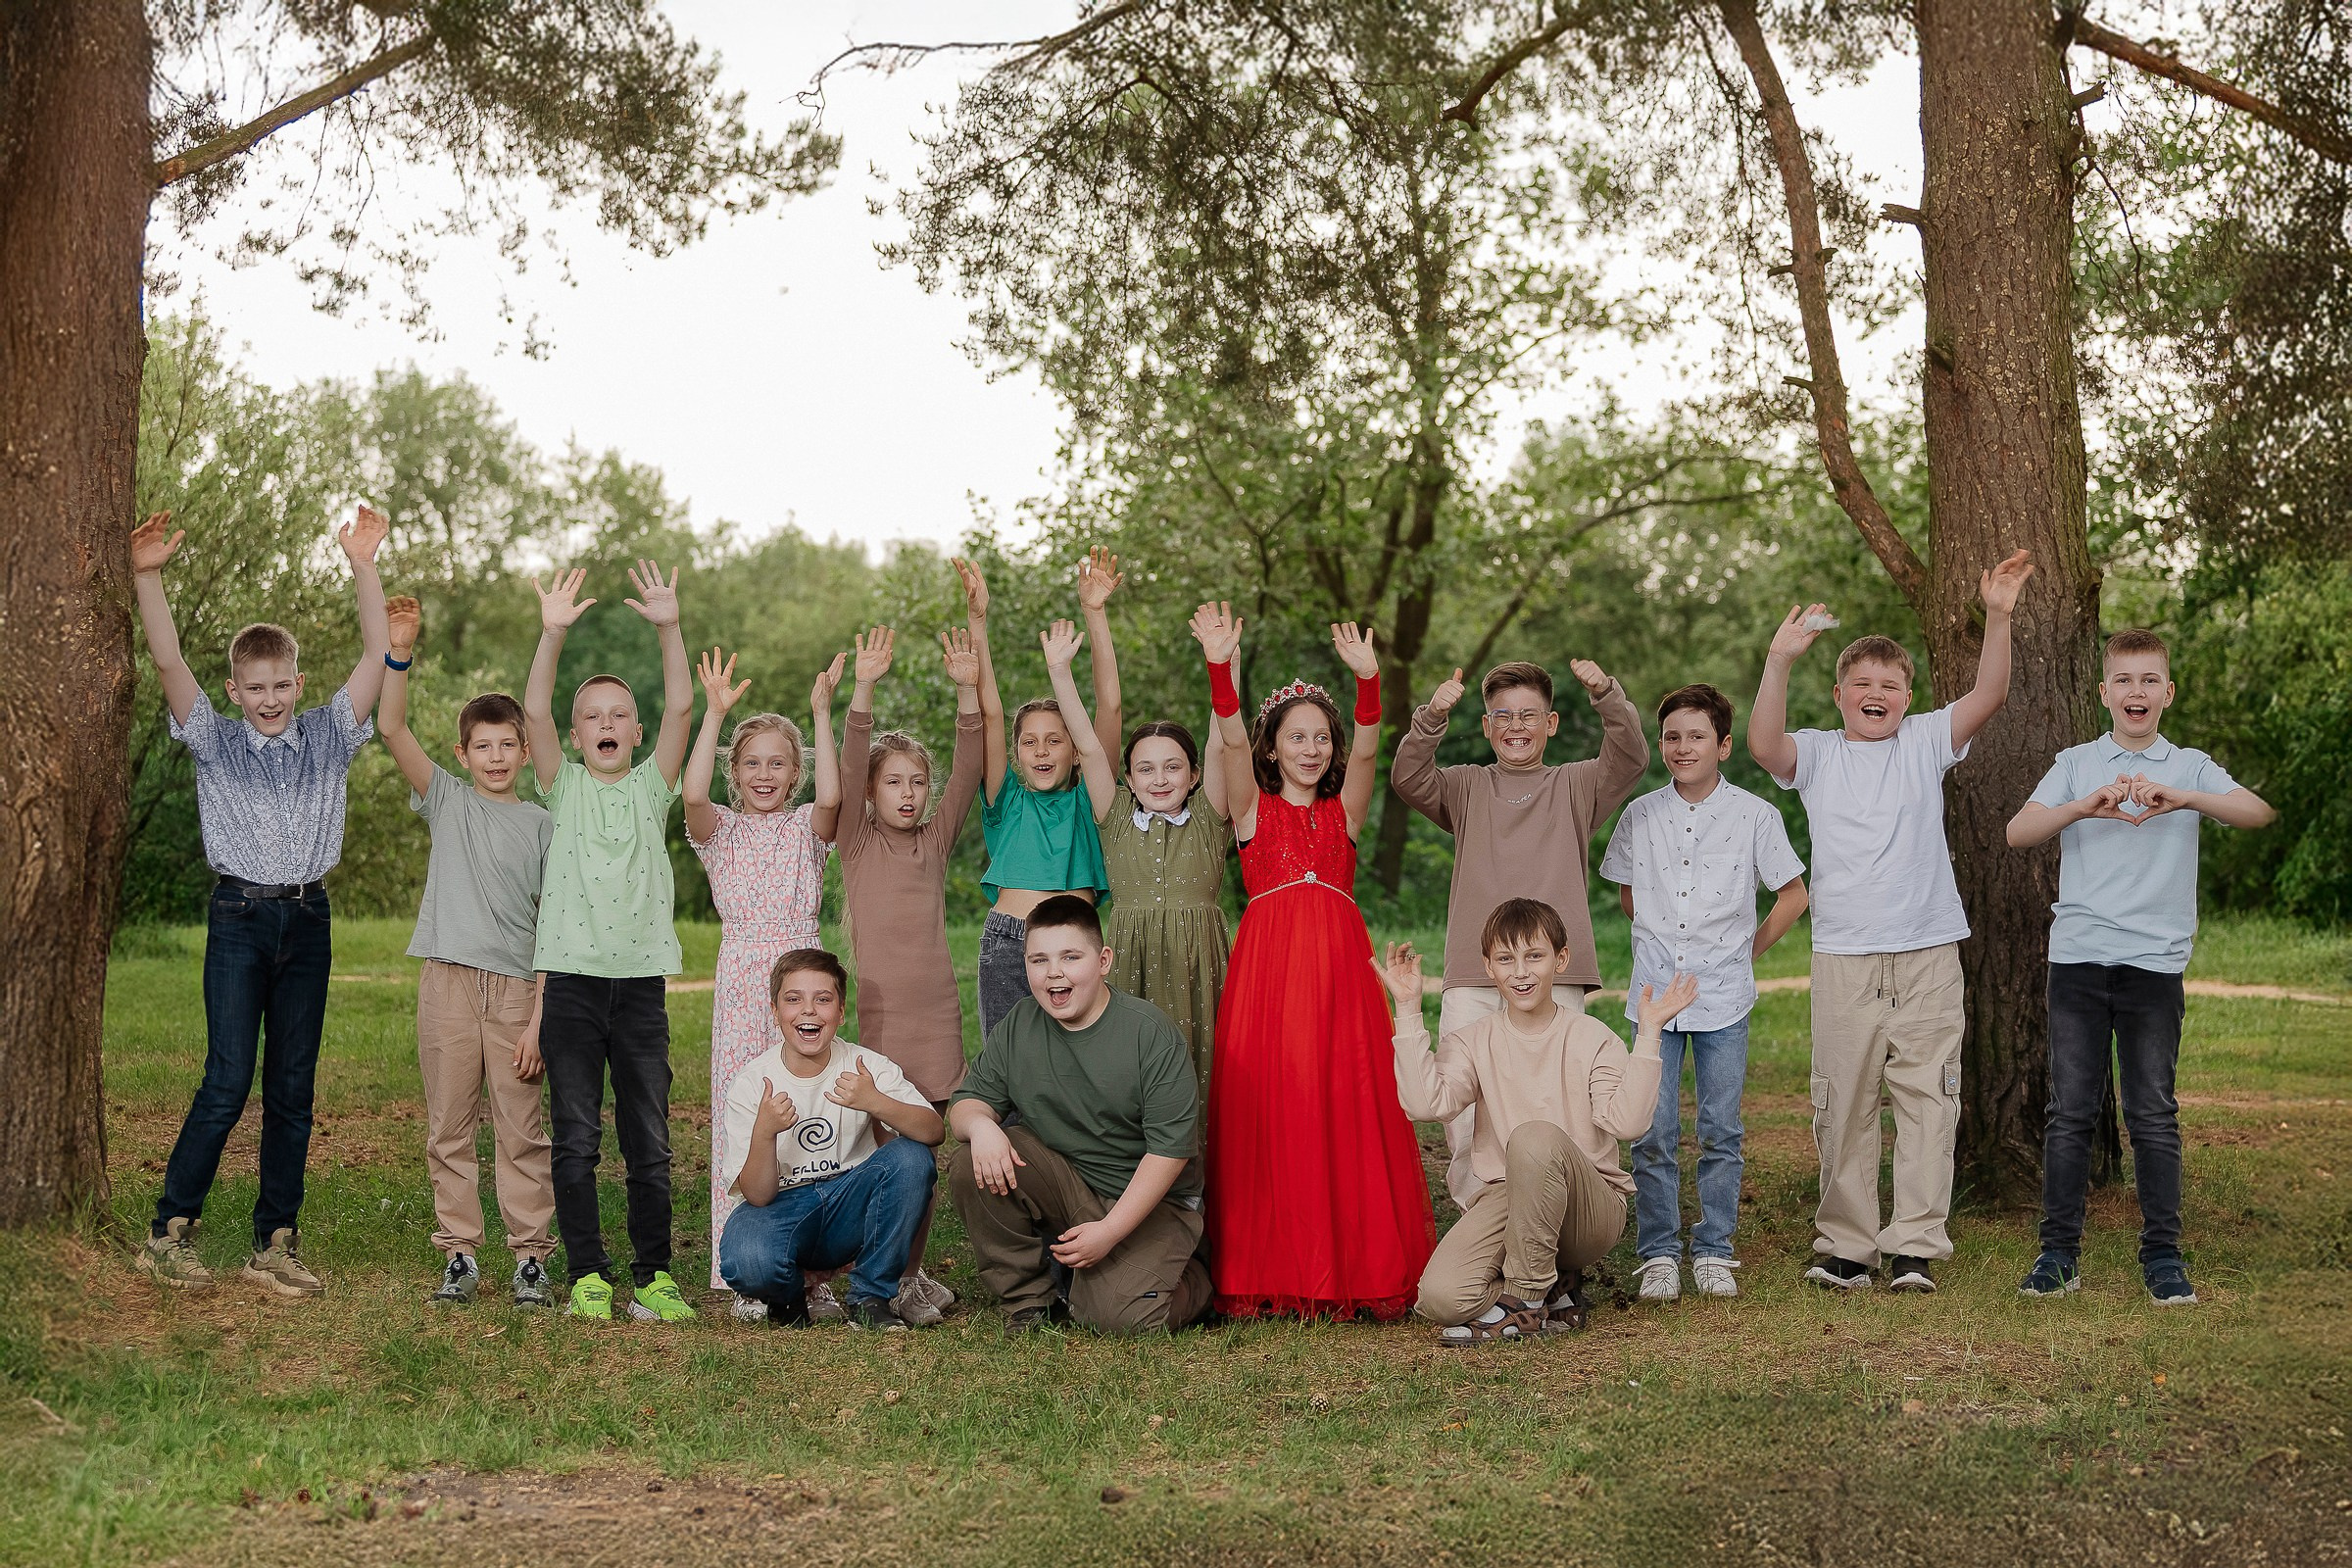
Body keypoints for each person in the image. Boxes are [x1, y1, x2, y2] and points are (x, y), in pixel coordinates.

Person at [1747, 550, 2035, 1295]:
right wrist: (1778, 661)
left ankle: (1913, 1246)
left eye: (1891, 685)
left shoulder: (1925, 742)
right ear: (1840, 695)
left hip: (1927, 952)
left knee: (1927, 1100)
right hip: (1844, 955)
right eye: (1863, 685)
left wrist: (1998, 615)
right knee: (1842, 1100)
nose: (1876, 694)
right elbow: (1761, 745)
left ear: (1908, 699)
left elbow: (1991, 693)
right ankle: (1847, 1246)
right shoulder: (1813, 755)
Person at [132, 504, 391, 1297]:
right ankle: (169, 1229)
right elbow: (170, 662)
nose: (271, 697)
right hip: (240, 918)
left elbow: (380, 652)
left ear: (299, 684)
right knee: (227, 1077)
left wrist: (364, 565)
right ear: (235, 691)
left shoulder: (329, 735)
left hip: (308, 918)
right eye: (256, 687)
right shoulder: (212, 740)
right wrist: (147, 576)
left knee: (292, 1087)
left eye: (282, 684)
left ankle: (274, 1240)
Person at [2007, 629, 2274, 1308]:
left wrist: (2185, 799)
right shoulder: (2075, 762)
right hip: (2078, 960)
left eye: (2149, 680)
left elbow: (2257, 811)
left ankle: (2162, 1257)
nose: (2136, 692)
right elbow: (2019, 831)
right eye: (2124, 680)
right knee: (2069, 1112)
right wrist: (2084, 805)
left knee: (2152, 1113)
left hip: (2154, 965)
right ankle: (2058, 1255)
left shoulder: (2189, 765)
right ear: (2104, 693)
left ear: (2167, 694)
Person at [1193, 604, 1435, 1320]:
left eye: (1320, 738)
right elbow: (1231, 744)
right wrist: (1219, 668)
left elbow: (1367, 752)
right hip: (1269, 974)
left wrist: (1369, 686)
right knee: (1277, 1104)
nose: (1311, 749)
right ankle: (1279, 1269)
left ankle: (1355, 1268)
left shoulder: (1345, 815)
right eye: (1296, 738)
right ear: (1274, 749)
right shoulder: (1250, 810)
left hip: (1338, 974)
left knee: (1345, 1101)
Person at [1392, 656, 1648, 1210]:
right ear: (1486, 727)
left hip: (1557, 974)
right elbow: (1408, 777)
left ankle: (1560, 1223)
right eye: (1502, 716)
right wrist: (1432, 716)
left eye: (1529, 716)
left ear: (1551, 724)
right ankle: (1481, 1223)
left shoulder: (1577, 784)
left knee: (1563, 1102)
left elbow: (1630, 758)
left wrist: (1605, 691)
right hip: (1474, 973)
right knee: (1465, 1110)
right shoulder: (1465, 788)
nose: (1515, 727)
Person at [1382, 902, 1691, 1345]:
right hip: (1512, 1196)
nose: (1521, 972)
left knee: (1533, 1136)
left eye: (1535, 956)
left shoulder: (1592, 1036)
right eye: (1506, 959)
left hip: (1589, 1209)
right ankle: (1557, 1292)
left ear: (1560, 960)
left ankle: (1526, 1302)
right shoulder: (1471, 1040)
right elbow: (1426, 1105)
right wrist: (1409, 1008)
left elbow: (1627, 1123)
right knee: (1439, 1298)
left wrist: (1648, 1035)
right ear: (1488, 967)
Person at [522, 560, 696, 1323]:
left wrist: (669, 626)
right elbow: (530, 710)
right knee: (574, 1140)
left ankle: (654, 1276)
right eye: (591, 716)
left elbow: (686, 704)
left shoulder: (652, 788)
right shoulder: (560, 787)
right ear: (574, 735)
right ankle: (588, 1274)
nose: (604, 725)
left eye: (617, 715)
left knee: (649, 1145)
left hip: (641, 991)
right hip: (569, 985)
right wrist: (550, 634)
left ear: (635, 731)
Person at [374, 595, 559, 1308]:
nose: (494, 757)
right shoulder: (447, 800)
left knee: (521, 1130)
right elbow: (390, 725)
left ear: (523, 751)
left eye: (507, 744)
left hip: (516, 993)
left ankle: (531, 1259)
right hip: (447, 984)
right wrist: (398, 651)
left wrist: (540, 1017)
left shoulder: (543, 825)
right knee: (448, 1124)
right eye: (481, 746)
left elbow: (554, 930)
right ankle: (458, 1253)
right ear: (463, 753)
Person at [1600, 683, 1807, 1301]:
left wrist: (1746, 952)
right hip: (1654, 1000)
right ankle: (1659, 1251)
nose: (1682, 747)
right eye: (1672, 737)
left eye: (1696, 737)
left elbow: (1793, 896)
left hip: (1724, 998)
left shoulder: (1755, 815)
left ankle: (1715, 1248)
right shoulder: (1640, 815)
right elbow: (1628, 895)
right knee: (1652, 1128)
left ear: (1722, 745)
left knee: (1721, 1127)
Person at [947, 896, 1213, 1335]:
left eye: (1071, 957)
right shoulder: (1020, 1023)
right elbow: (966, 1103)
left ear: (1103, 960)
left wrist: (1108, 1232)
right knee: (971, 1160)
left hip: (1149, 1201)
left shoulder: (1149, 1034)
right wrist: (980, 1125)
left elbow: (1169, 1154)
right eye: (1039, 960)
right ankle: (1030, 1300)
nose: (1054, 972)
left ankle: (1197, 1278)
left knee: (1116, 1317)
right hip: (1069, 1183)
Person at [823, 623, 986, 1326]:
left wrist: (967, 692)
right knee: (888, 1147)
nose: (911, 793)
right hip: (885, 1022)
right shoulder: (854, 841)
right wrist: (862, 688)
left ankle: (911, 1274)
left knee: (930, 1141)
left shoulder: (936, 839)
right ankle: (876, 1273)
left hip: (939, 1016)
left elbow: (972, 766)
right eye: (895, 782)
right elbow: (852, 748)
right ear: (871, 791)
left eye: (918, 782)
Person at [682, 646, 840, 1314]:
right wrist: (715, 715)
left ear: (795, 771)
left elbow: (835, 797)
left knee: (815, 1115)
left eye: (778, 762)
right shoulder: (720, 833)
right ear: (735, 772)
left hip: (802, 976)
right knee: (744, 1115)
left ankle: (813, 1271)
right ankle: (746, 1275)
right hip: (745, 976)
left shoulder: (808, 828)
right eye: (752, 763)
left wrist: (822, 714)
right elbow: (691, 793)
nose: (765, 774)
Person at [1071, 552, 1234, 1093]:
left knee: (1205, 1067)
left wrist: (1224, 664)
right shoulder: (1116, 816)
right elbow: (1090, 748)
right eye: (1144, 768)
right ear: (1130, 778)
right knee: (1133, 1070)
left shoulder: (1210, 814)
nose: (1159, 778)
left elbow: (1222, 739)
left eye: (1172, 767)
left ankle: (1204, 1175)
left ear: (1191, 777)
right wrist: (1064, 661)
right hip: (1133, 957)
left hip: (1200, 964)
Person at [717, 950, 947, 1331]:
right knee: (749, 1256)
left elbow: (932, 1131)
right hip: (784, 1209)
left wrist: (875, 1101)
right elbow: (757, 1196)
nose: (809, 1011)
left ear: (841, 1012)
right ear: (775, 1011)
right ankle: (788, 1296)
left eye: (823, 1000)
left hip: (849, 1204)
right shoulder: (752, 1082)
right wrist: (764, 1131)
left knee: (911, 1156)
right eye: (794, 999)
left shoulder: (865, 1066)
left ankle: (870, 1296)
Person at [956, 556, 1110, 1039]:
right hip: (1009, 945)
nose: (1041, 750)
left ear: (1077, 750)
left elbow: (1110, 705)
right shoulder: (1006, 801)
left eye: (1055, 739)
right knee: (1009, 1073)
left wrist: (1095, 614)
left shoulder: (1092, 799)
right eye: (1030, 742)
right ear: (1017, 753)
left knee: (1079, 1072)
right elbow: (992, 712)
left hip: (1077, 946)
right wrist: (977, 620)